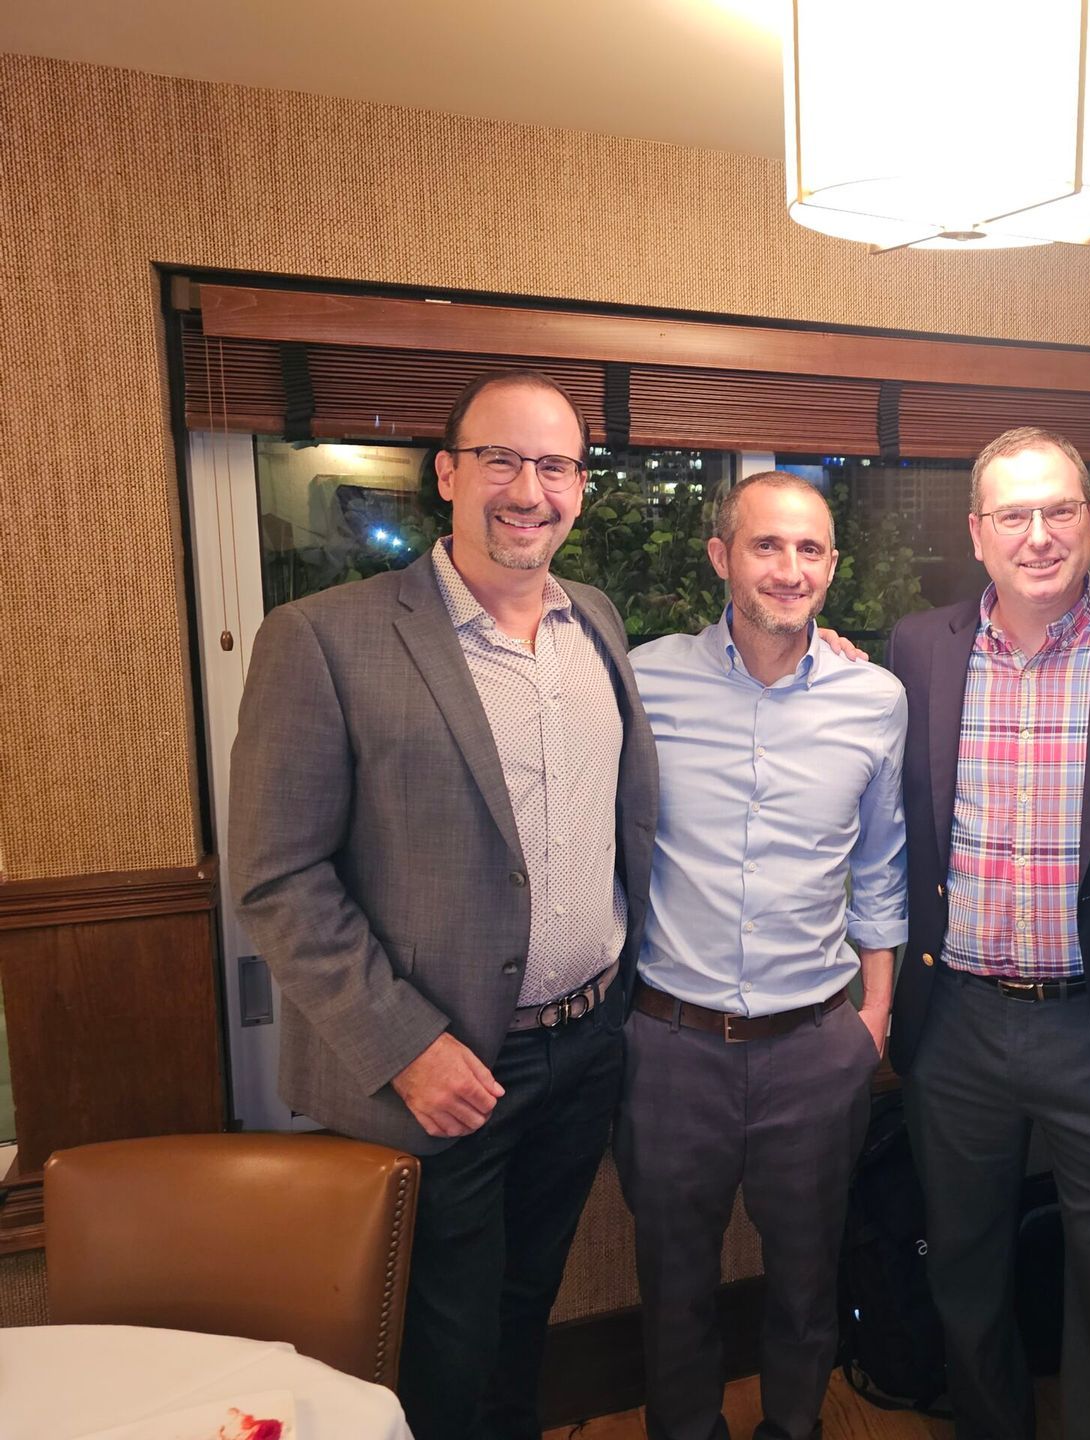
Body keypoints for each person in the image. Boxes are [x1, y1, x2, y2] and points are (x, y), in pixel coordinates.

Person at [230, 369, 658, 1440]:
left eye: (555, 465)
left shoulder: (593, 622)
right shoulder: (323, 638)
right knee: (443, 1349)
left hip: (586, 1047)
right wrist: (406, 1045)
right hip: (445, 1072)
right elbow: (277, 877)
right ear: (448, 474)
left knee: (525, 1316)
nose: (530, 488)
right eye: (502, 460)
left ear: (581, 488)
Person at [887, 426, 1090, 1439]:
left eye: (1061, 510)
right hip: (954, 1022)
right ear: (978, 532)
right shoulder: (917, 648)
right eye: (1014, 515)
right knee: (965, 1268)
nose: (1040, 535)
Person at [616, 471, 907, 1440]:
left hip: (815, 1047)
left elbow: (880, 867)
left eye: (810, 549)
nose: (789, 569)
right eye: (766, 546)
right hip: (671, 1048)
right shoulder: (643, 680)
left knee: (806, 1288)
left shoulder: (877, 699)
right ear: (721, 558)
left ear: (832, 566)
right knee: (677, 1294)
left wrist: (874, 1021)